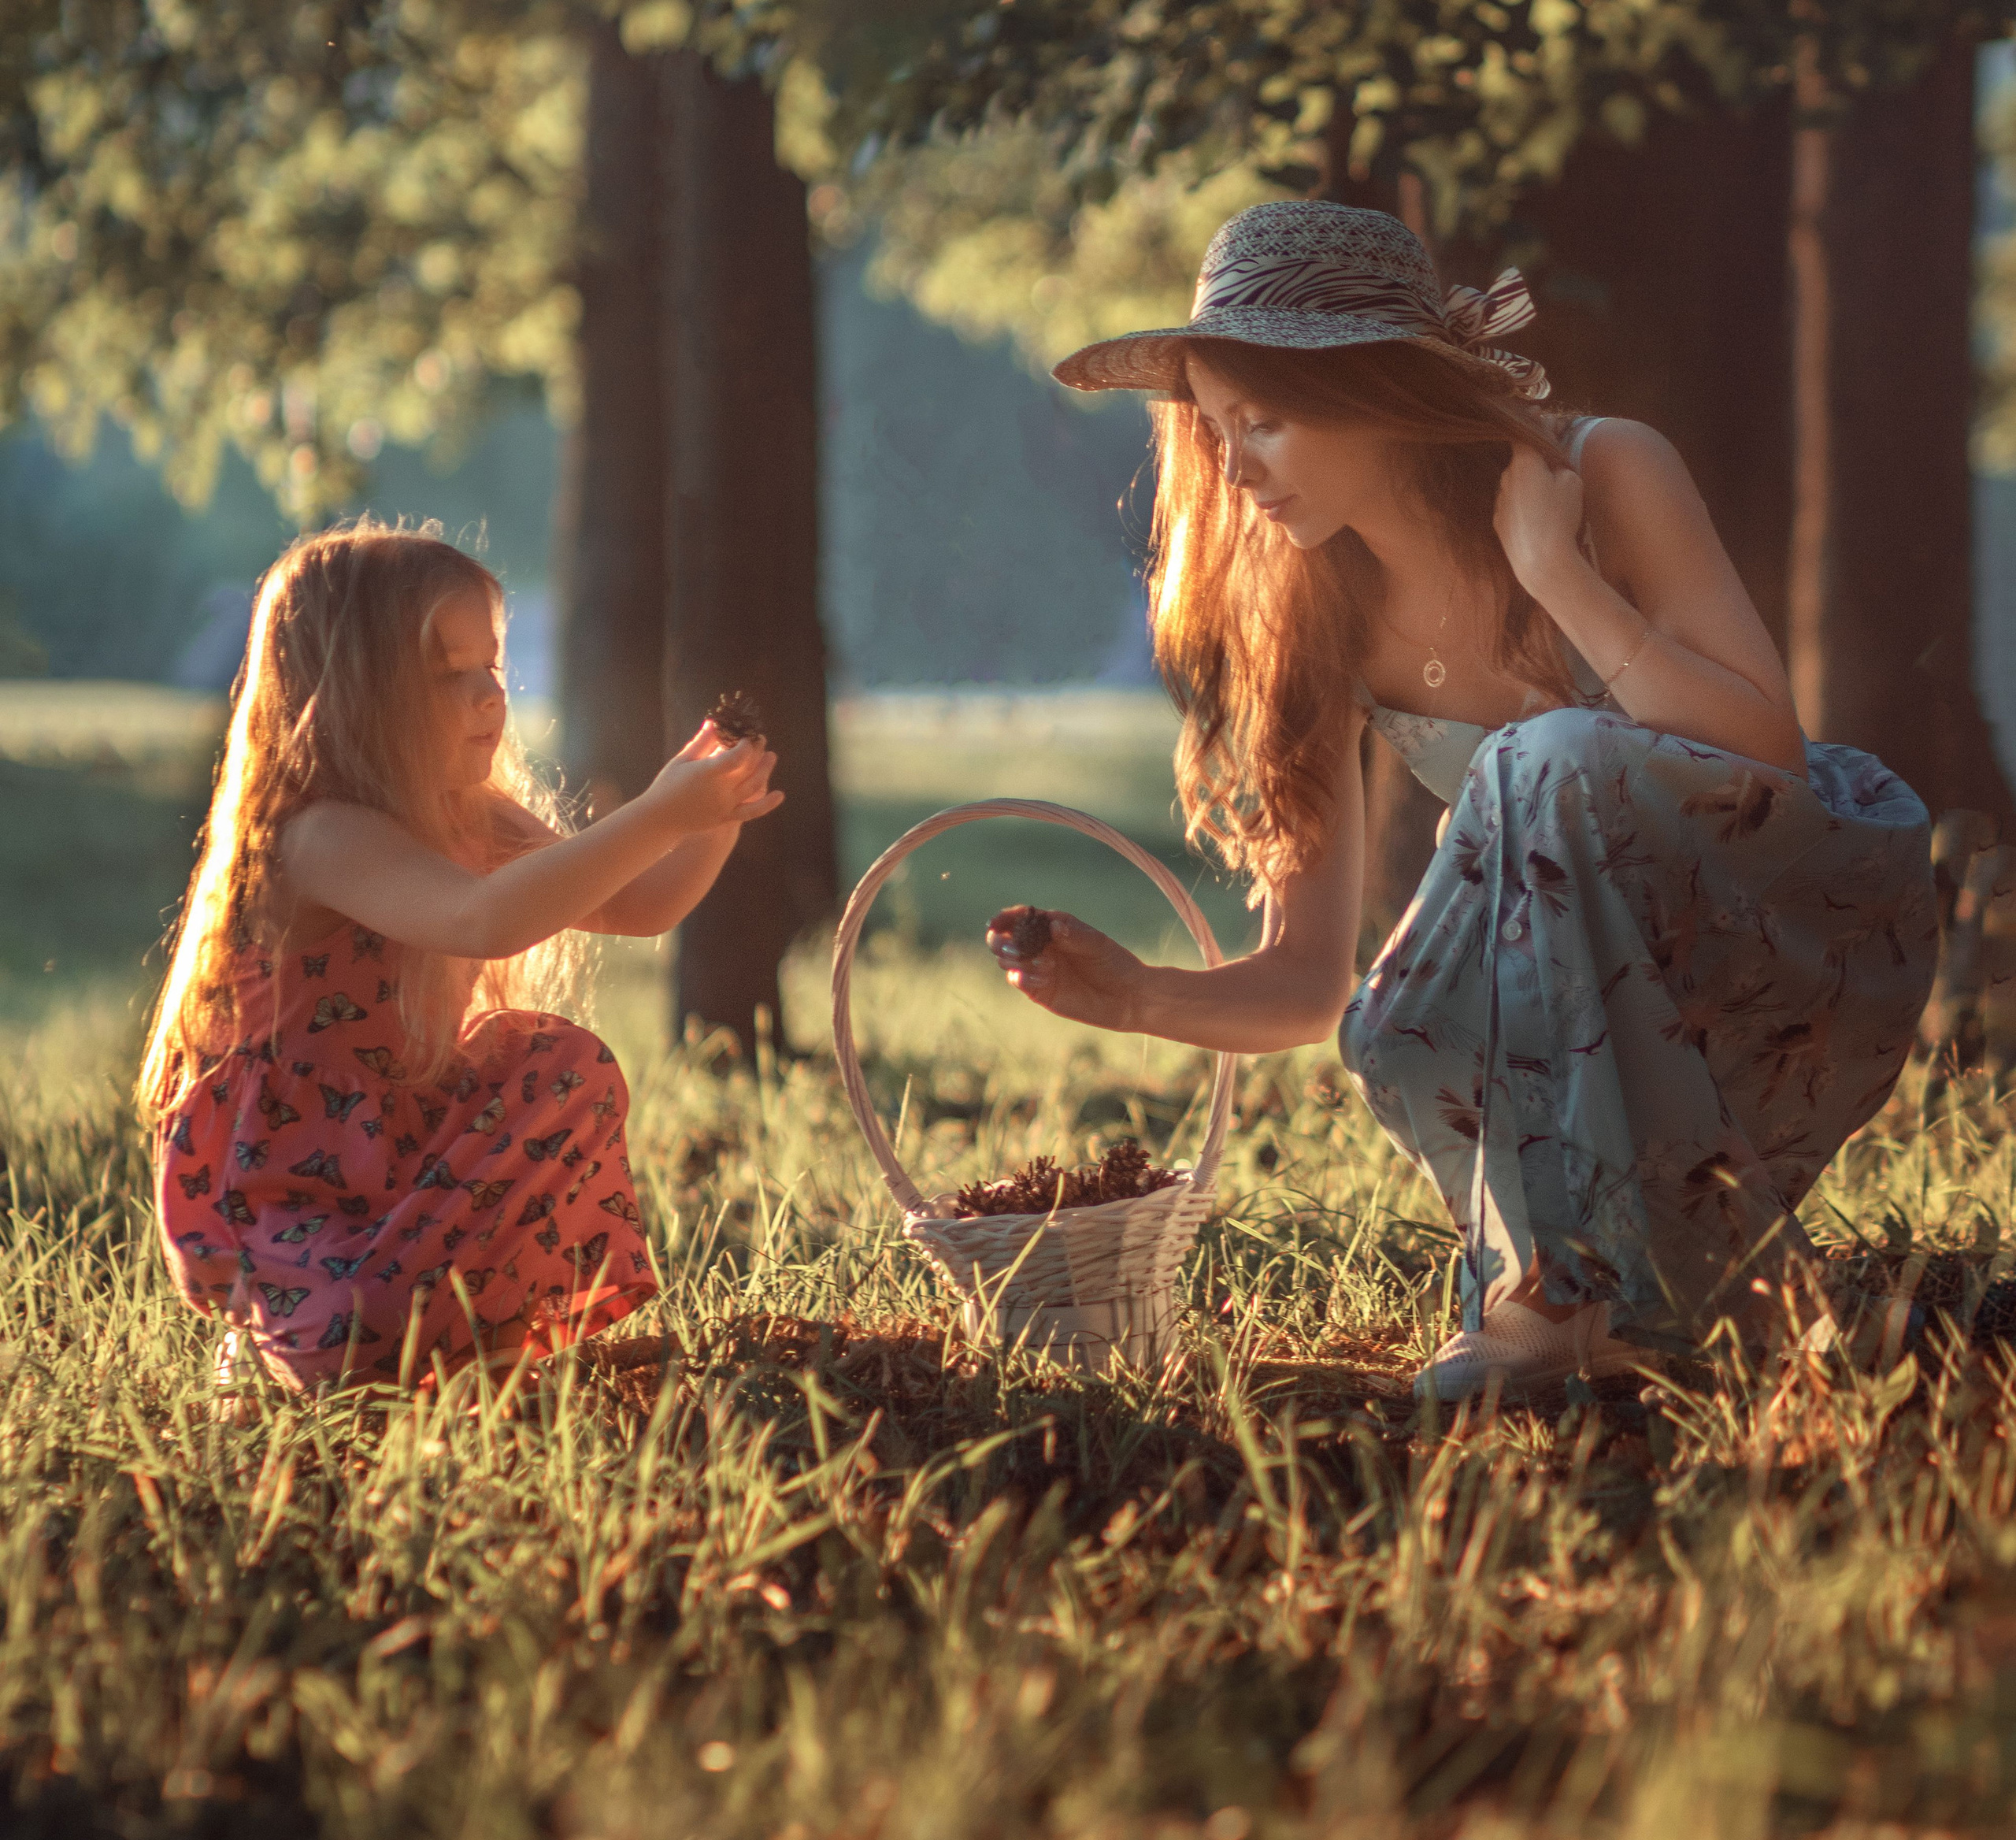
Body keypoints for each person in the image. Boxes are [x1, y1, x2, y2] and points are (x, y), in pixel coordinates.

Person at [988, 199, 1937, 1400]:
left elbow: (1768, 755)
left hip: (1787, 924)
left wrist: (1557, 575)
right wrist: (1137, 996)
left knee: (1537, 763)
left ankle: (1542, 1304)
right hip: (1593, 1000)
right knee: (1390, 1024)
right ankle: (1728, 1305)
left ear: (1375, 392)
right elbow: (1310, 982)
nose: (1234, 470)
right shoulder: (1314, 612)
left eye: (1264, 422)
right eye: (1216, 429)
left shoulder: (1602, 469)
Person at [141, 522, 781, 1391]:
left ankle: (481, 1340)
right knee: (363, 1330)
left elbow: (639, 905)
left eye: (493, 666)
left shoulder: (467, 814)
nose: (489, 695)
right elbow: (484, 921)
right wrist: (661, 815)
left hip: (410, 1143)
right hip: (296, 1185)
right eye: (451, 674)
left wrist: (712, 818)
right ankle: (288, 1339)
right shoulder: (320, 835)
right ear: (355, 691)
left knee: (561, 1064)